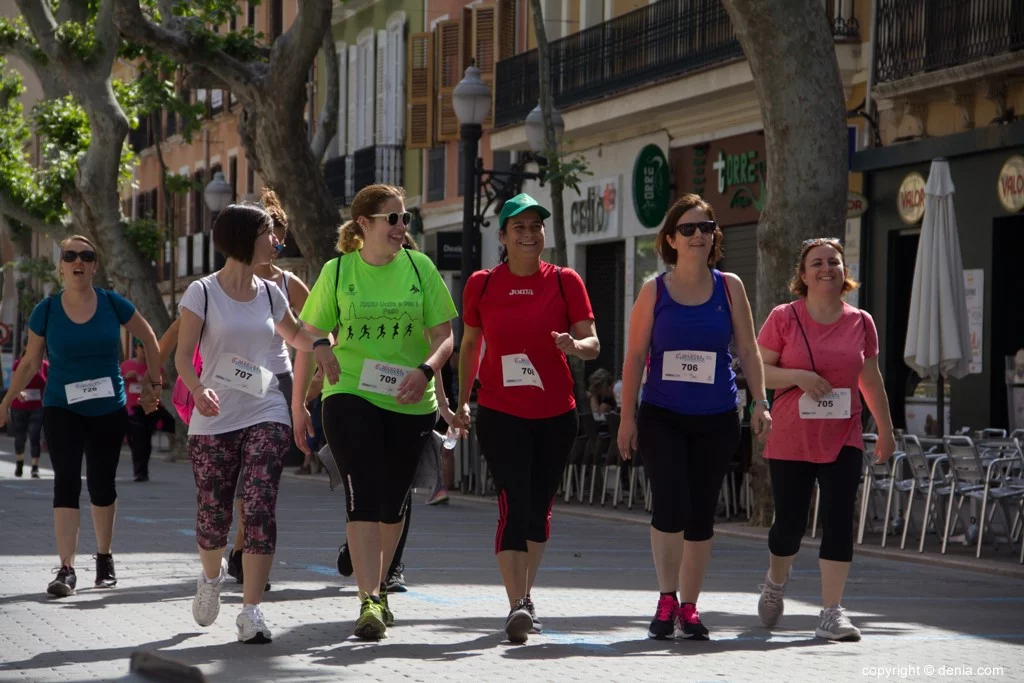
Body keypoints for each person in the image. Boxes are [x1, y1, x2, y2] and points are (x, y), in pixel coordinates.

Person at [293, 184, 456, 641]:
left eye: (406, 218)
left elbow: (445, 337)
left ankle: (380, 583)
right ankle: (369, 598)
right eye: (393, 218)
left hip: (409, 400)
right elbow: (311, 328)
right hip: (350, 395)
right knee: (362, 494)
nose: (402, 227)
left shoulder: (420, 269)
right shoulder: (338, 269)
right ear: (364, 225)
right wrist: (323, 347)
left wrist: (426, 373)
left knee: (393, 502)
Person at [175, 203, 339, 644]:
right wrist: (196, 388)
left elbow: (296, 336)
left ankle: (251, 612)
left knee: (260, 505)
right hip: (214, 418)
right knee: (213, 516)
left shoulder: (271, 293)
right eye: (270, 234)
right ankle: (211, 579)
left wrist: (322, 343)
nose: (277, 242)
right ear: (247, 238)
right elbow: (182, 354)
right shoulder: (202, 293)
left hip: (265, 408)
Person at [616, 194, 771, 641]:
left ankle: (690, 607)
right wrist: (627, 418)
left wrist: (761, 402)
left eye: (707, 227)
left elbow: (748, 349)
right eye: (689, 229)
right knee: (670, 504)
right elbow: (634, 357)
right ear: (671, 239)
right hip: (662, 414)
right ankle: (666, 599)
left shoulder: (730, 286)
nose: (700, 234)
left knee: (702, 512)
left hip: (717, 415)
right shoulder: (654, 290)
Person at [454, 192, 600, 644]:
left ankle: (526, 597)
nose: (529, 234)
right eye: (519, 227)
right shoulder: (481, 284)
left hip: (557, 414)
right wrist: (461, 402)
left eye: (536, 226)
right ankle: (517, 604)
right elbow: (469, 346)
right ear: (502, 236)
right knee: (513, 502)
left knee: (539, 510)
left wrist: (575, 347)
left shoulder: (565, 281)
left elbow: (593, 341)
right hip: (500, 412)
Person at [0, 235, 162, 597]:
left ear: (94, 266)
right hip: (62, 407)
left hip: (108, 408)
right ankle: (67, 569)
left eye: (86, 256)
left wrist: (155, 385)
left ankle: (104, 558)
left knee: (103, 485)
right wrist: (7, 400)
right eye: (69, 255)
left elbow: (150, 338)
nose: (78, 261)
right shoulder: (47, 310)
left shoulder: (111, 303)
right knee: (66, 482)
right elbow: (29, 362)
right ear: (61, 266)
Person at [754, 237, 895, 642]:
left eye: (834, 261)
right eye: (817, 263)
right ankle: (775, 581)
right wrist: (798, 376)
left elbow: (870, 379)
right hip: (791, 437)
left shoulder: (861, 321)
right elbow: (758, 371)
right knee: (790, 525)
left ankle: (831, 613)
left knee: (838, 519)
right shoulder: (784, 317)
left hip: (844, 435)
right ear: (803, 274)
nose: (826, 268)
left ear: (844, 271)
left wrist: (885, 428)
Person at [122, 339, 174, 482]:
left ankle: (142, 471)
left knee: (145, 439)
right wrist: (126, 377)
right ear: (136, 349)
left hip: (150, 408)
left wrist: (157, 382)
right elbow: (116, 382)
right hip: (132, 409)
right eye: (141, 347)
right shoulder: (126, 366)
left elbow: (166, 384)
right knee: (138, 438)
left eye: (146, 348)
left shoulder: (155, 367)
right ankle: (140, 470)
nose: (144, 351)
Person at [9, 348, 48, 478]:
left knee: (35, 435)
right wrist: (18, 392)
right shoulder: (18, 364)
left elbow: (49, 383)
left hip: (37, 407)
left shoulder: (45, 366)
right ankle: (19, 463)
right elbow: (13, 381)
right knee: (20, 437)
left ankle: (34, 467)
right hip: (19, 406)